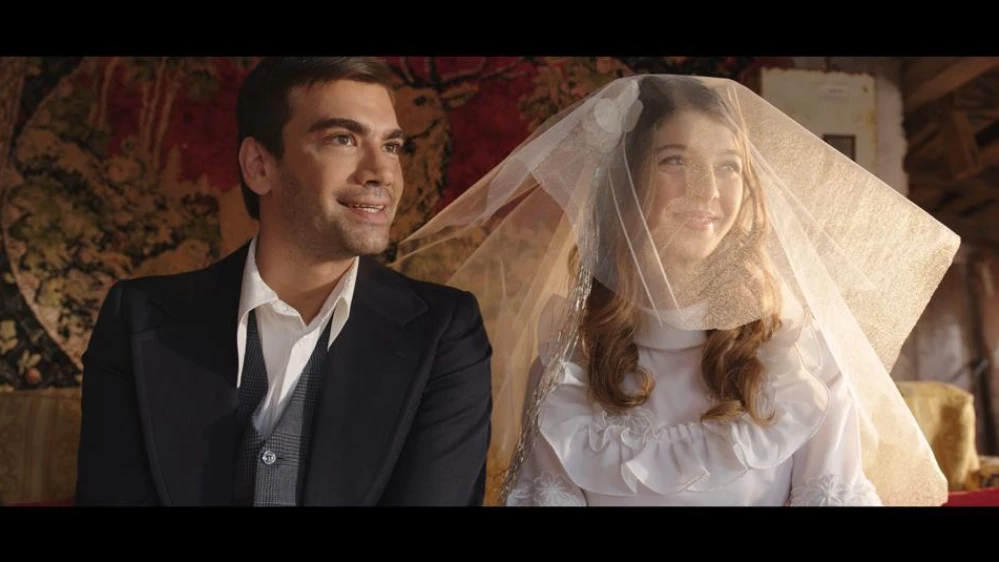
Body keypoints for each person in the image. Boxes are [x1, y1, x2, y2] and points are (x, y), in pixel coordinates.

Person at [390, 74, 958, 506]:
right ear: (626, 185)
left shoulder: (800, 358)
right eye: (675, 161)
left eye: (729, 167)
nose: (707, 190)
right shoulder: (568, 364)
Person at [75, 57, 493, 506]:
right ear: (259, 165)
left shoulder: (445, 334)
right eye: (343, 139)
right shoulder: (136, 319)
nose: (382, 173)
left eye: (391, 146)